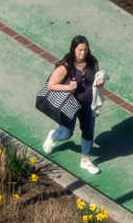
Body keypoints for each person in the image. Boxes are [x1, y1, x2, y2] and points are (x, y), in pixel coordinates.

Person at [38, 35, 104, 175]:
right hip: (70, 106)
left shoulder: (92, 62)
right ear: (73, 50)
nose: (83, 53)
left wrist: (101, 81)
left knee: (88, 131)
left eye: (85, 49)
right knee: (66, 133)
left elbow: (97, 75)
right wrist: (69, 87)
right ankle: (54, 136)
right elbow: (51, 85)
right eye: (80, 50)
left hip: (87, 105)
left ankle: (85, 160)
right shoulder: (65, 67)